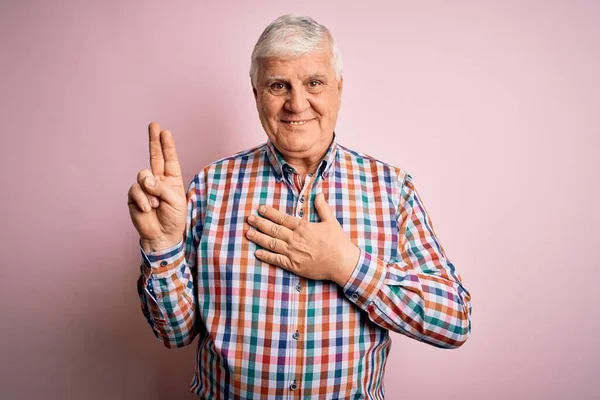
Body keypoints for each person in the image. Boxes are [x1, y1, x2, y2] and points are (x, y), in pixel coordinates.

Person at [128, 14, 472, 399]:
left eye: (314, 83)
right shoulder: (211, 187)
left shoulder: (391, 189)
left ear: (338, 88)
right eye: (278, 85)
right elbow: (175, 334)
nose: (296, 103)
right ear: (256, 93)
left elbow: (454, 321)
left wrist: (347, 265)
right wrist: (163, 247)